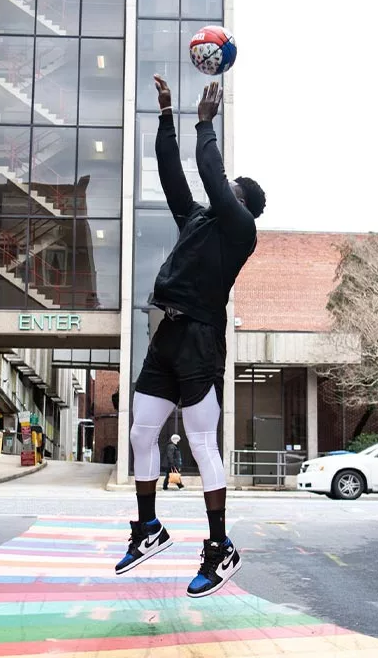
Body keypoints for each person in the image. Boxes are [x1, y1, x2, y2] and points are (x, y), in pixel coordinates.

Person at [113, 76, 266, 599]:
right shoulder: (198, 220)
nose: (222, 194)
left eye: (232, 193)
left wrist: (205, 123)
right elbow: (172, 174)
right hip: (168, 333)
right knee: (140, 432)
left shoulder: (240, 231)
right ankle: (150, 528)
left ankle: (221, 547)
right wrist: (165, 116)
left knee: (202, 443)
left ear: (244, 206)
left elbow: (211, 176)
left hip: (201, 338)